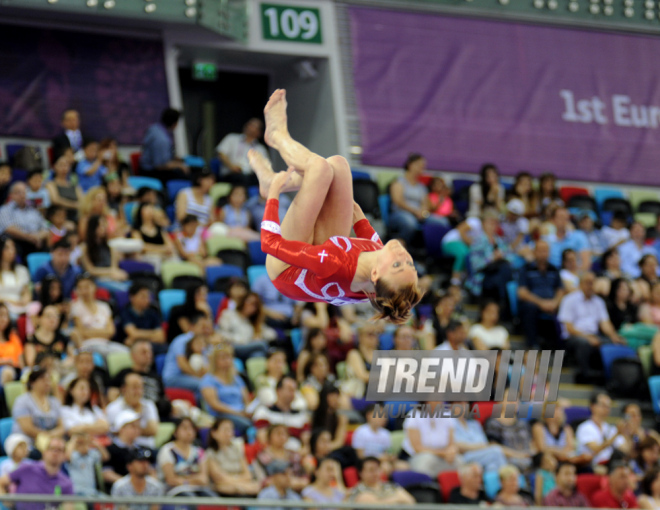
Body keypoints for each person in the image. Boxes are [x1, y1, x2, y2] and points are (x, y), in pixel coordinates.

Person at [252, 89, 422, 323]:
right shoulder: (379, 266)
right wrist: (354, 211)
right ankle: (275, 180)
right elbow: (366, 233)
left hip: (286, 269)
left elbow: (270, 244)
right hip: (320, 260)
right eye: (409, 263)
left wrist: (272, 197)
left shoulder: (335, 263)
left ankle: (277, 136)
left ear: (375, 274)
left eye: (397, 264)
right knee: (338, 167)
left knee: (319, 169)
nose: (403, 255)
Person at [558, 273, 626, 384]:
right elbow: (569, 327)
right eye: (588, 283)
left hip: (594, 335)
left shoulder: (599, 302)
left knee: (614, 343)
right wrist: (588, 337)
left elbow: (605, 323)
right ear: (580, 284)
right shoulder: (569, 300)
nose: (591, 286)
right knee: (583, 343)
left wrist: (614, 336)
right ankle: (584, 375)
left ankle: (612, 379)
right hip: (574, 336)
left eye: (593, 283)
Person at [0, 436, 74, 510]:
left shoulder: (66, 483)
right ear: (45, 452)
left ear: (64, 455)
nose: (55, 453)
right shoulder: (26, 468)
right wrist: (5, 501)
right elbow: (1, 482)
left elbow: (68, 507)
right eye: (52, 449)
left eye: (59, 450)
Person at [517, 240, 564, 347]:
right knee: (529, 308)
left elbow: (560, 290)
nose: (543, 254)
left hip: (552, 303)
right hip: (534, 303)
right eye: (541, 251)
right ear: (534, 252)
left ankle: (561, 347)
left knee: (566, 306)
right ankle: (532, 344)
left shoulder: (554, 269)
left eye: (546, 251)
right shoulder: (526, 269)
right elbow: (522, 292)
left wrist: (555, 302)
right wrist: (541, 303)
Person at [199, 343, 253, 435]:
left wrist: (248, 410)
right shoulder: (208, 380)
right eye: (223, 358)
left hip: (241, 412)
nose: (227, 361)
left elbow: (246, 399)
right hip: (222, 415)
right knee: (246, 424)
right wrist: (237, 413)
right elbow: (214, 404)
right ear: (215, 361)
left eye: (229, 357)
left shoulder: (236, 379)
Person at [69, 274, 128, 356]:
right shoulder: (76, 307)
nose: (84, 291)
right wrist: (103, 333)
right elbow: (81, 332)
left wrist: (89, 332)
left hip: (106, 343)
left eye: (86, 287)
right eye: (80, 288)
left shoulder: (104, 307)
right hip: (88, 344)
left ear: (94, 287)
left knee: (127, 353)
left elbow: (111, 331)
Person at [465, 208, 513, 305]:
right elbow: (475, 265)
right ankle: (502, 305)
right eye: (490, 223)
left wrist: (502, 256)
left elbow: (511, 258)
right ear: (483, 224)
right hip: (483, 276)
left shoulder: (500, 241)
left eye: (496, 223)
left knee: (505, 271)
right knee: (501, 277)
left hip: (499, 273)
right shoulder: (478, 241)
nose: (493, 226)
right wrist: (492, 258)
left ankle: (503, 305)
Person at [108, 341, 169, 418]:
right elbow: (112, 394)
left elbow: (163, 397)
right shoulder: (124, 373)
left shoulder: (156, 376)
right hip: (128, 411)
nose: (148, 355)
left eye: (150, 352)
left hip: (153, 412)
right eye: (144, 352)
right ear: (133, 355)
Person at [401, 400, 460, 477]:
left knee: (459, 462)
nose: (439, 401)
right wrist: (443, 453)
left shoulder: (447, 415)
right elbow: (417, 448)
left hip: (443, 455)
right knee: (427, 461)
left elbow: (452, 444)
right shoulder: (414, 416)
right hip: (419, 455)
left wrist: (451, 451)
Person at [252, 375, 310, 451]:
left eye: (294, 390)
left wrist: (303, 451)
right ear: (278, 391)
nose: (292, 393)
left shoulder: (301, 415)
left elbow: (306, 442)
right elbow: (262, 438)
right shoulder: (264, 411)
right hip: (273, 454)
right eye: (289, 390)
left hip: (296, 454)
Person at [11, 367, 64, 449]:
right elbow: (27, 428)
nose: (47, 383)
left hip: (51, 442)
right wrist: (46, 436)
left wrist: (51, 436)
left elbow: (61, 427)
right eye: (43, 379)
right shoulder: (22, 401)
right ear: (32, 382)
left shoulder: (54, 401)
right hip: (29, 442)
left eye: (48, 379)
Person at [205, 418, 260, 495]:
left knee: (257, 486)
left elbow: (248, 475)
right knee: (230, 488)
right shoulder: (210, 453)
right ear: (214, 433)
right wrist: (242, 485)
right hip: (225, 488)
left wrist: (240, 485)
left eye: (231, 430)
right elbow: (220, 478)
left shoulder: (237, 449)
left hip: (239, 484)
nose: (229, 433)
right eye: (225, 430)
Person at [156, 417, 210, 495]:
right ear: (175, 432)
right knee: (190, 498)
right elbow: (171, 480)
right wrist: (194, 480)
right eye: (184, 428)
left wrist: (184, 480)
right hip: (174, 490)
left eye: (191, 428)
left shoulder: (199, 452)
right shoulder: (168, 451)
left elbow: (204, 479)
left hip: (197, 488)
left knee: (211, 497)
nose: (189, 432)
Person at [163, 311, 213, 392]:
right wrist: (199, 377)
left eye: (207, 327)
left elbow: (208, 364)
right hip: (175, 377)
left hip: (190, 377)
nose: (205, 330)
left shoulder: (204, 343)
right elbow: (182, 364)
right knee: (204, 385)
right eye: (202, 327)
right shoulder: (182, 340)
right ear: (192, 327)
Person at [106, 372, 159, 448]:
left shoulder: (148, 405)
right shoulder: (113, 408)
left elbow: (153, 430)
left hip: (146, 447)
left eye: (140, 388)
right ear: (124, 389)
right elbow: (113, 432)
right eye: (134, 388)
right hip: (123, 448)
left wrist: (128, 428)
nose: (138, 392)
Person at [217, 292, 275, 362]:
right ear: (243, 301)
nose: (251, 306)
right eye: (249, 302)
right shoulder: (228, 314)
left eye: (255, 305)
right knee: (261, 345)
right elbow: (221, 333)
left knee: (258, 354)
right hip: (232, 346)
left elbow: (272, 334)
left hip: (248, 348)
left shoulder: (253, 322)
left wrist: (259, 335)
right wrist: (240, 339)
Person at [389, 153, 433, 243]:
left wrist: (423, 212)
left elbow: (425, 203)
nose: (422, 168)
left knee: (440, 222)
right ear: (410, 165)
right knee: (410, 223)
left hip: (419, 215)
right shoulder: (399, 182)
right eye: (419, 165)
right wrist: (415, 211)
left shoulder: (422, 187)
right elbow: (397, 200)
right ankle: (400, 245)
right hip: (400, 213)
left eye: (423, 166)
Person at [79, 215, 131, 292]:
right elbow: (91, 270)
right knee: (124, 290)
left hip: (111, 277)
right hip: (97, 279)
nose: (103, 228)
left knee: (133, 288)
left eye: (104, 225)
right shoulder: (84, 248)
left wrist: (115, 273)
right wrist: (111, 272)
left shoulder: (111, 248)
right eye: (101, 226)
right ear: (93, 228)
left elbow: (114, 267)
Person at [575, 392, 628, 467]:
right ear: (593, 406)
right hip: (591, 466)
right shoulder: (584, 427)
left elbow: (625, 450)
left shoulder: (611, 428)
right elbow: (595, 449)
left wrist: (626, 433)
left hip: (611, 465)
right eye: (603, 405)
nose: (606, 409)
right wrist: (616, 434)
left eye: (608, 406)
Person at [452, 404, 508, 473]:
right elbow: (458, 446)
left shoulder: (474, 424)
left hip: (482, 454)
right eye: (460, 404)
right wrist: (478, 446)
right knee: (496, 451)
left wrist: (477, 446)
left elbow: (484, 443)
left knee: (492, 466)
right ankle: (507, 476)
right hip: (465, 456)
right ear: (452, 407)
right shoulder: (451, 424)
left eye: (465, 404)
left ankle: (497, 481)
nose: (464, 407)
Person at [0, 182, 49, 257]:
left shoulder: (33, 210)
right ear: (11, 195)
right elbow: (9, 228)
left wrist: (38, 236)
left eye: (24, 192)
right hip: (17, 241)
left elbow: (45, 227)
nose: (22, 195)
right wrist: (30, 237)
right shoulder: (5, 210)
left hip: (35, 241)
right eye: (18, 192)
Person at [216, 118, 269, 185]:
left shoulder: (261, 149)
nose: (250, 127)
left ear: (259, 132)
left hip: (250, 176)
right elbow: (221, 153)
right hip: (230, 174)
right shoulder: (231, 138)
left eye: (254, 126)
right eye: (250, 124)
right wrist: (232, 167)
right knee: (241, 179)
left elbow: (264, 166)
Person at [141, 108, 189, 180]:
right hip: (151, 173)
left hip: (146, 168)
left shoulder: (154, 128)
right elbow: (159, 165)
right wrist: (179, 166)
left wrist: (174, 158)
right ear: (174, 124)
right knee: (185, 175)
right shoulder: (162, 139)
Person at [346, 456, 415, 504]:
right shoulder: (357, 491)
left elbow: (410, 501)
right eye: (371, 470)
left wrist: (383, 501)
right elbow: (377, 507)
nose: (375, 473)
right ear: (361, 473)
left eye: (377, 469)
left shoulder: (391, 486)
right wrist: (397, 499)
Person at [119, 283, 165, 352]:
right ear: (132, 297)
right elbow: (133, 333)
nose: (147, 300)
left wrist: (138, 337)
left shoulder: (153, 312)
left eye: (148, 297)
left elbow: (161, 337)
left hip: (150, 345)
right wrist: (153, 334)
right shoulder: (125, 312)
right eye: (143, 297)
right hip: (131, 348)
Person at [132, 203, 177, 272]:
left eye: (151, 208)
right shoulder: (137, 230)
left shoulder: (160, 229)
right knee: (156, 260)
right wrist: (161, 249)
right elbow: (141, 247)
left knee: (174, 258)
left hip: (163, 255)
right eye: (147, 209)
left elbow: (169, 245)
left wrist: (164, 250)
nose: (150, 211)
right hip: (147, 256)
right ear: (141, 212)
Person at [544, 207, 591, 272]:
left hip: (575, 273)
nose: (564, 220)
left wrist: (576, 277)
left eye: (566, 218)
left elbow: (586, 262)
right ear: (553, 220)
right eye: (561, 217)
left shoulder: (579, 236)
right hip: (553, 275)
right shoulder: (546, 240)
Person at [343, 323, 378, 398]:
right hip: (361, 393)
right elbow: (362, 376)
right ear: (360, 337)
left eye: (375, 334)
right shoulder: (354, 354)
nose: (373, 337)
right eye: (370, 334)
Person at [46, 155, 82, 222]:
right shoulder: (51, 184)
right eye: (61, 165)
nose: (64, 168)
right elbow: (56, 200)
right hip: (59, 219)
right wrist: (74, 205)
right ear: (54, 167)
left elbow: (82, 201)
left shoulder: (74, 185)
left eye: (66, 165)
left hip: (76, 216)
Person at [0, 302, 24, 383]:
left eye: (5, 315)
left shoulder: (13, 337)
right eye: (0, 315)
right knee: (7, 372)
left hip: (15, 370)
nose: (3, 319)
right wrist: (5, 361)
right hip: (4, 371)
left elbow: (21, 361)